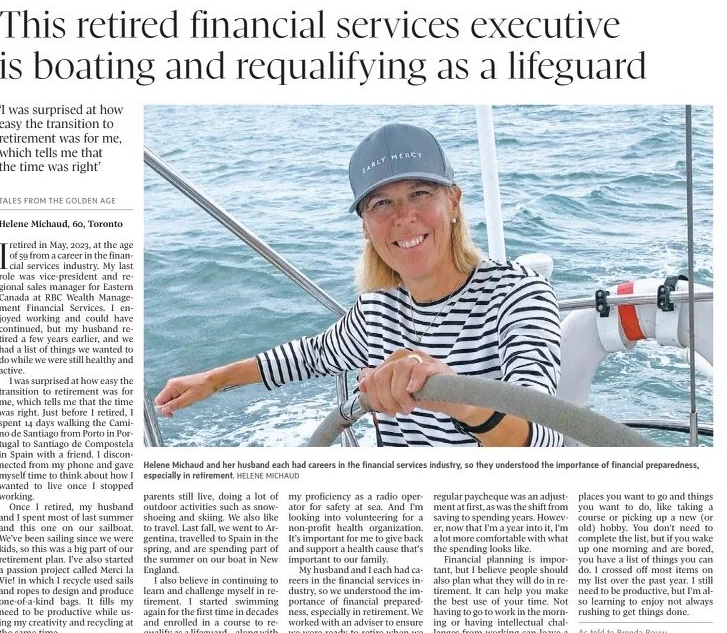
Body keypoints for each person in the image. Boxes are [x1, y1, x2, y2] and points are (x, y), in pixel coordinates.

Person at [155, 123, 563, 446]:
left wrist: (455, 396)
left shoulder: (519, 296)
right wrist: (214, 379)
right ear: (366, 227)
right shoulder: (377, 311)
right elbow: (309, 355)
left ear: (453, 202)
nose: (404, 217)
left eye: (419, 193)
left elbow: (543, 433)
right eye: (381, 203)